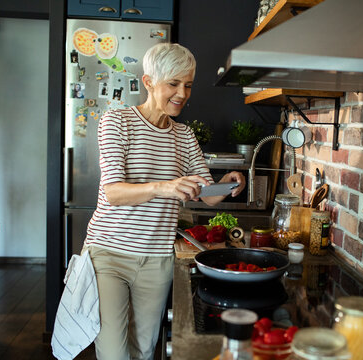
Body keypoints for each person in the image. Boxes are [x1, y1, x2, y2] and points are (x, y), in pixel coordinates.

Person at [82, 43, 245, 360]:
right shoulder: (116, 122)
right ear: (148, 82)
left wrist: (226, 185)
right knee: (114, 352)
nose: (182, 94)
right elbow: (114, 193)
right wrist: (165, 187)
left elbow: (206, 196)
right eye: (173, 83)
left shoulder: (184, 136)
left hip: (156, 259)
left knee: (143, 350)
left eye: (187, 85)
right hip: (110, 253)